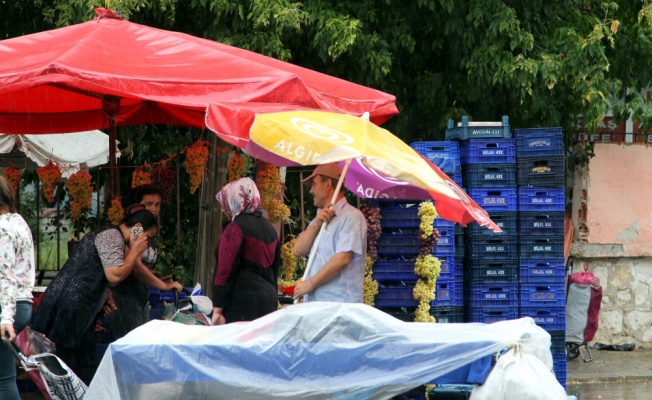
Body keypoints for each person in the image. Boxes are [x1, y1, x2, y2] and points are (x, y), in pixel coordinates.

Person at [31, 206, 155, 386]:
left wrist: (106, 294)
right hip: (73, 307)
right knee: (81, 367)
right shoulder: (111, 235)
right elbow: (115, 274)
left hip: (76, 307)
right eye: (148, 237)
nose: (148, 243)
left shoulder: (112, 236)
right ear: (137, 228)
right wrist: (135, 251)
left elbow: (97, 271)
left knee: (78, 365)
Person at [107, 185, 182, 338]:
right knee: (133, 349)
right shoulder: (136, 229)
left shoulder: (147, 230)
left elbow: (143, 266)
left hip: (140, 298)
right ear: (137, 207)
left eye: (158, 204)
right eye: (148, 204)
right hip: (124, 299)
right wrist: (165, 286)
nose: (154, 209)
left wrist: (156, 278)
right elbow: (135, 266)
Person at [293, 163, 367, 303]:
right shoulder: (319, 218)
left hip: (338, 308)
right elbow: (298, 250)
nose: (311, 191)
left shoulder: (352, 217)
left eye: (314, 184)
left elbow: (343, 258)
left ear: (328, 184)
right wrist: (316, 225)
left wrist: (310, 283)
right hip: (317, 307)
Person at [212, 177, 280, 325]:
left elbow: (225, 270)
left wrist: (217, 308)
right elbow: (274, 272)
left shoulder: (235, 228)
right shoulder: (270, 230)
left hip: (241, 304)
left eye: (225, 202)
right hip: (268, 304)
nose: (224, 209)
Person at [0, 176, 35, 400]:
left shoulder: (2, 228)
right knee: (5, 377)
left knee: (3, 380)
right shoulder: (17, 221)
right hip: (20, 304)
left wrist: (5, 319)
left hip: (7, 307)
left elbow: (5, 276)